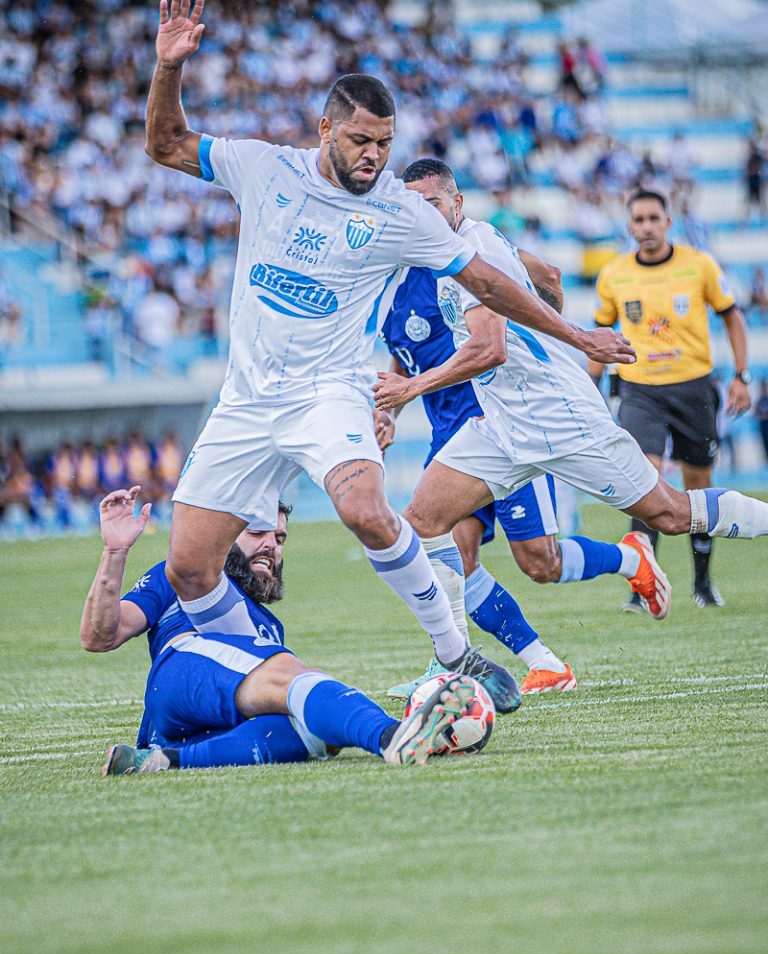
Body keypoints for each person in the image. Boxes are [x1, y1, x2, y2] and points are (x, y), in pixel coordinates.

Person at [143, 0, 631, 714]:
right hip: (245, 399)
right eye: (360, 140)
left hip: (329, 392)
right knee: (188, 567)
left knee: (368, 510)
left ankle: (454, 650)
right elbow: (165, 143)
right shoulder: (262, 168)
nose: (373, 154)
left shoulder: (401, 211)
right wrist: (168, 66)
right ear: (325, 131)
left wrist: (577, 335)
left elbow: (489, 282)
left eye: (384, 142)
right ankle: (257, 667)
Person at [372, 160, 768, 637]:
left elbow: (489, 348)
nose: (423, 217)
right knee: (423, 520)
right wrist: (553, 338)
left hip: (561, 417)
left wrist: (410, 388)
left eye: (431, 204)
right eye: (413, 208)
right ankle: (455, 663)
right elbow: (551, 277)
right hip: (501, 424)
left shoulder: (474, 249)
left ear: (457, 204)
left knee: (671, 513)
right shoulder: (454, 252)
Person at [376, 220, 669, 696]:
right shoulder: (383, 293)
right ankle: (511, 664)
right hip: (452, 440)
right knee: (451, 557)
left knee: (540, 563)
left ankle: (628, 558)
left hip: (510, 425)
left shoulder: (458, 258)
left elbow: (547, 275)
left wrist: (548, 351)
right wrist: (394, 409)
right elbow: (405, 356)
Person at [84, 486, 479, 773]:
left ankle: (161, 761)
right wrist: (115, 552)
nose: (271, 545)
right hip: (180, 672)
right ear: (225, 536)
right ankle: (393, 735)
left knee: (316, 732)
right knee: (292, 677)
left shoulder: (270, 627)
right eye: (256, 533)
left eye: (279, 537)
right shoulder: (185, 576)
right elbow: (99, 636)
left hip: (188, 729)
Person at [589, 189, 753, 610]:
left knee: (697, 485)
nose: (645, 226)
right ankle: (641, 588)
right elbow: (598, 340)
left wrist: (741, 376)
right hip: (640, 390)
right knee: (646, 479)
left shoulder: (699, 266)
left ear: (667, 222)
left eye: (653, 218)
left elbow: (733, 318)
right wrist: (589, 392)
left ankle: (702, 583)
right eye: (638, 219)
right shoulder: (614, 275)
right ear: (629, 225)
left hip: (693, 388)